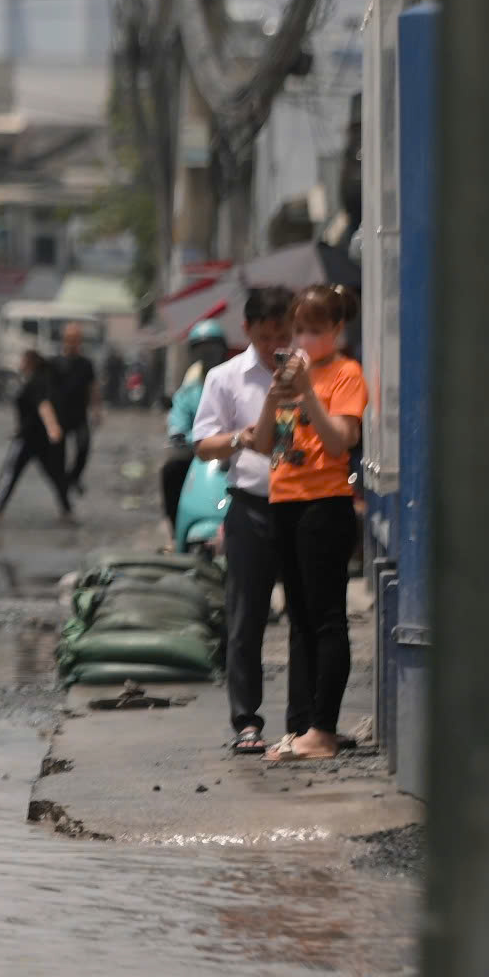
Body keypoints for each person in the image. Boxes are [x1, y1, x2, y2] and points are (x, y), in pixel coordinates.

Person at [250, 285, 366, 763]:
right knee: (298, 618)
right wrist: (272, 399)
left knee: (327, 619)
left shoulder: (346, 374)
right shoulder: (289, 377)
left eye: (315, 330)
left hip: (326, 503)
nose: (304, 338)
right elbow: (265, 447)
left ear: (336, 330)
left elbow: (339, 441)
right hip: (285, 500)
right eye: (299, 329)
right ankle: (298, 725)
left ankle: (323, 728)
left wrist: (307, 395)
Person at [191, 287, 293, 756]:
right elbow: (203, 444)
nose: (276, 342)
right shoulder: (225, 377)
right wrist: (240, 438)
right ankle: (247, 721)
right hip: (250, 504)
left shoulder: (306, 372)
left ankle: (306, 722)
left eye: (283, 332)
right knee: (245, 617)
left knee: (310, 617)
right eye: (267, 334)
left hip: (303, 505)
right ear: (247, 330)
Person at [0, 348, 75, 522]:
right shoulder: (38, 379)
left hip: (30, 438)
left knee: (11, 472)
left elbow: (43, 406)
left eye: (23, 361)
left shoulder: (36, 381)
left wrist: (52, 427)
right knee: (54, 475)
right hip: (36, 437)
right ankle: (67, 510)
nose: (20, 364)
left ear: (30, 363)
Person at [160, 319, 230, 545]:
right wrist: (178, 433)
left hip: (233, 452)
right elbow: (178, 418)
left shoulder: (233, 382)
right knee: (171, 472)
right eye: (202, 350)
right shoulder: (189, 392)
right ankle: (175, 531)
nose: (208, 355)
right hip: (198, 454)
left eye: (212, 349)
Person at [51, 321, 102, 494]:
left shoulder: (86, 364)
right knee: (59, 455)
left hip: (80, 415)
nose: (73, 343)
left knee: (84, 446)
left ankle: (74, 477)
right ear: (64, 340)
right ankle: (64, 485)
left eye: (76, 339)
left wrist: (96, 411)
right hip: (60, 416)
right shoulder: (55, 363)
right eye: (70, 339)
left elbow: (93, 387)